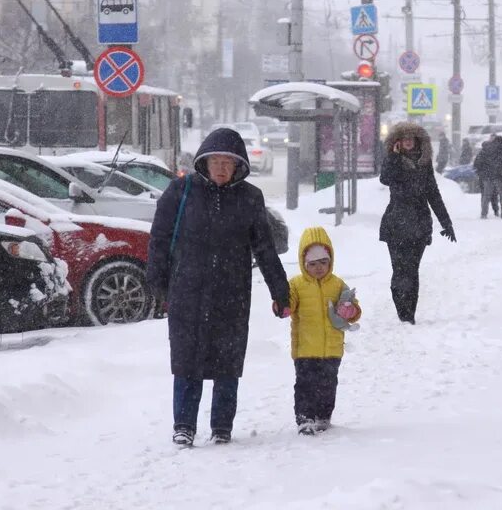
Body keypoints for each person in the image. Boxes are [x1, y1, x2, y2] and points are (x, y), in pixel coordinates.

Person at [147, 128, 291, 447]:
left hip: (232, 294)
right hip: (187, 292)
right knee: (187, 360)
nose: (222, 168)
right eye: (216, 161)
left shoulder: (250, 198)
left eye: (229, 162)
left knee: (227, 362)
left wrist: (281, 293)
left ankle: (222, 426)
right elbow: (158, 240)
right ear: (204, 162)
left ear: (238, 165)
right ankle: (184, 424)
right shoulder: (180, 191)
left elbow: (265, 249)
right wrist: (158, 285)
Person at [379, 122, 456, 324]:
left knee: (412, 271)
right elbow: (385, 178)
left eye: (411, 139)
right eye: (404, 139)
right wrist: (394, 157)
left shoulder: (424, 163)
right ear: (398, 142)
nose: (408, 142)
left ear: (417, 141)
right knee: (399, 272)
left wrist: (446, 222)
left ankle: (409, 314)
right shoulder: (393, 161)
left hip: (419, 225)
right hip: (396, 223)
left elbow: (433, 193)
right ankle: (401, 310)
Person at [288, 226, 361, 435]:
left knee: (328, 385)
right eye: (313, 264)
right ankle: (305, 418)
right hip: (305, 349)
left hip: (332, 348)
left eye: (323, 262)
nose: (319, 268)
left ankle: (323, 416)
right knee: (305, 385)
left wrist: (350, 310)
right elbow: (289, 304)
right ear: (304, 263)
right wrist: (283, 305)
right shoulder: (296, 285)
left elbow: (354, 309)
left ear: (330, 261)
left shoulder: (338, 285)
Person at [473, 134, 502, 219]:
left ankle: (484, 213)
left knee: (486, 196)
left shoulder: (486, 148)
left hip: (487, 176)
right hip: (499, 176)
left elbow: (477, 163)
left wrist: (482, 173)